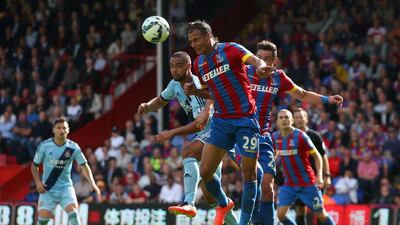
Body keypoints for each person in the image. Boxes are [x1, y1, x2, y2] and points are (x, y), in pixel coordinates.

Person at [195, 40, 343, 225]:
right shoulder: (242, 71)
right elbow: (217, 89)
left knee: (268, 187)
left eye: (267, 58)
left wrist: (327, 99)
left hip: (263, 135)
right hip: (239, 129)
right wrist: (207, 109)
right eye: (260, 58)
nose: (263, 61)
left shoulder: (278, 77)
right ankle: (249, 220)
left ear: (275, 61)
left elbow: (303, 94)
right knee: (253, 174)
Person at [186, 20, 275, 225]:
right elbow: (213, 93)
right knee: (206, 172)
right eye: (191, 41)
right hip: (221, 122)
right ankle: (224, 203)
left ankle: (243, 223)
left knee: (249, 173)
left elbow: (254, 60)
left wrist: (261, 67)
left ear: (208, 36)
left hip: (245, 120)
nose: (194, 45)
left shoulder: (231, 49)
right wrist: (195, 91)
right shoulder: (200, 63)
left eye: (196, 40)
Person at [137, 51, 238, 224]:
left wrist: (171, 133)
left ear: (189, 66)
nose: (174, 70)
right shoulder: (175, 84)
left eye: (178, 65)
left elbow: (199, 123)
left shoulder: (197, 84)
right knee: (211, 195)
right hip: (204, 134)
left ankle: (189, 202)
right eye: (171, 66)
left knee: (188, 151)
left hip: (216, 129)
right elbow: (161, 100)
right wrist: (148, 105)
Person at [31, 117, 101, 225]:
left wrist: (92, 183)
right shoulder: (44, 146)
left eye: (64, 128)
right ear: (54, 130)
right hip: (47, 189)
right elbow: (34, 166)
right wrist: (38, 182)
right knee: (43, 220)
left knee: (73, 212)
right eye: (58, 128)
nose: (61, 130)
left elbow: (84, 166)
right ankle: (48, 214)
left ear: (68, 130)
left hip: (65, 188)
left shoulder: (73, 147)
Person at [272, 110, 335, 225]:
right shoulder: (275, 137)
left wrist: (321, 176)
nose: (284, 120)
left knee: (321, 215)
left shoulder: (301, 136)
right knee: (280, 214)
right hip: (289, 184)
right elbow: (273, 154)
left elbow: (318, 156)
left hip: (308, 184)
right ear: (277, 121)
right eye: (281, 118)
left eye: (286, 117)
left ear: (291, 121)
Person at [293, 107, 332, 225]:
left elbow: (323, 156)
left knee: (318, 210)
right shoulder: (290, 136)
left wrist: (327, 175)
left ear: (307, 119)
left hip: (315, 178)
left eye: (301, 117)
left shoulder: (315, 136)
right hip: (298, 179)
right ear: (293, 120)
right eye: (296, 117)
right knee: (300, 210)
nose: (299, 119)